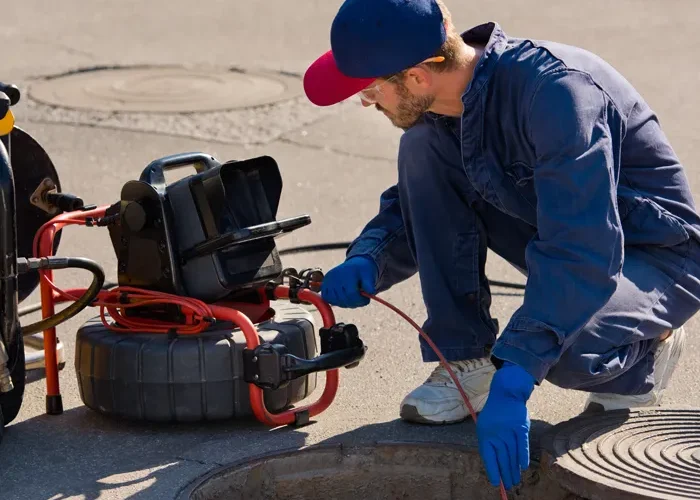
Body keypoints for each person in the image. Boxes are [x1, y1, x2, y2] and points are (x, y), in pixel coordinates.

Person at [303, 0, 700, 491]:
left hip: (655, 256)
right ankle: (466, 361)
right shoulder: (451, 103)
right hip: (560, 233)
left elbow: (583, 249)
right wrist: (370, 256)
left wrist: (517, 374)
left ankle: (644, 352)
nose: (365, 101)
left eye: (369, 88)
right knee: (422, 148)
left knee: (561, 353)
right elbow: (422, 203)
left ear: (418, 77)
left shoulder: (558, 95)